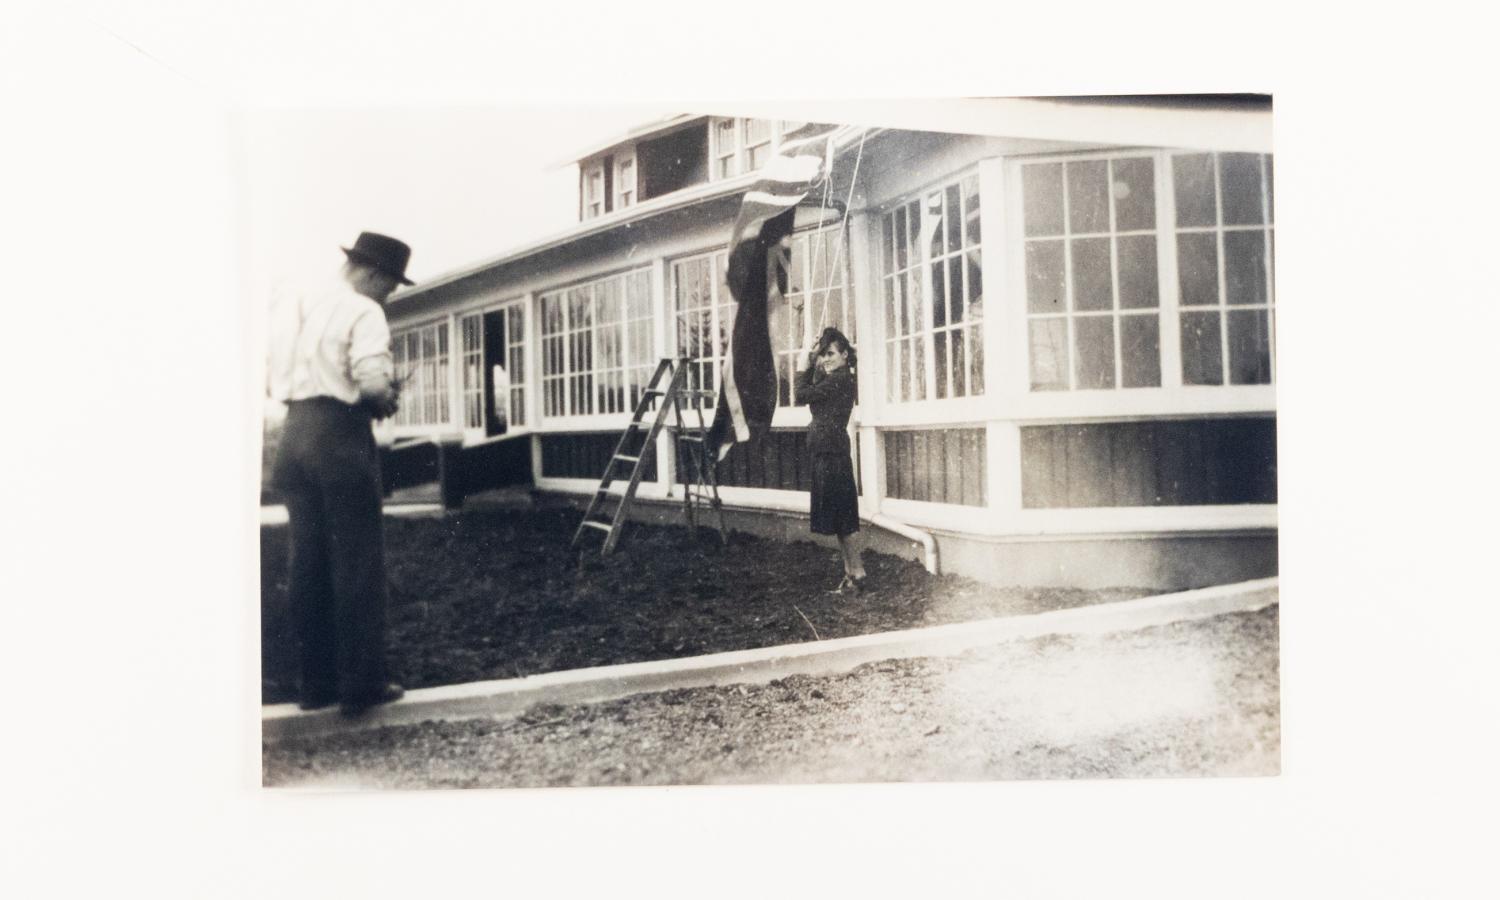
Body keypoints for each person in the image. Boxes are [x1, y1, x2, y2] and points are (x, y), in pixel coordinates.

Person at [267, 232, 413, 715]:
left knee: (306, 562)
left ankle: (315, 685)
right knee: (356, 561)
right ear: (373, 274)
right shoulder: (363, 311)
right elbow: (371, 382)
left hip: (293, 438)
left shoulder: (295, 304)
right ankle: (361, 685)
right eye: (389, 288)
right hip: (338, 438)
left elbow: (272, 377)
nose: (386, 297)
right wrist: (387, 396)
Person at [796, 327, 867, 594]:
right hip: (827, 451)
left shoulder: (840, 380)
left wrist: (802, 363)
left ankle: (858, 572)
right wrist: (813, 355)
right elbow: (814, 387)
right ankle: (851, 574)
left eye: (831, 354)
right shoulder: (835, 378)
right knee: (839, 516)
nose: (826, 359)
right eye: (823, 355)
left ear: (845, 355)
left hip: (832, 453)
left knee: (843, 517)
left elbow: (802, 394)